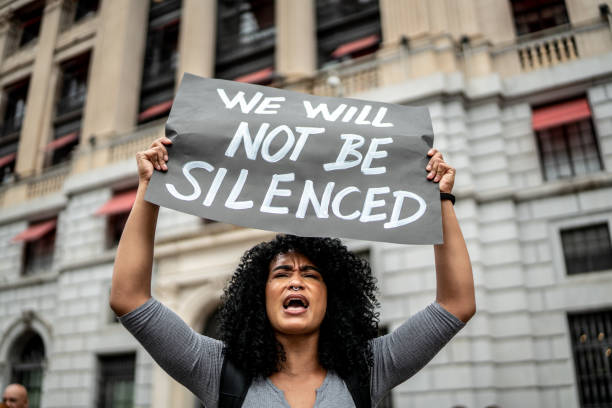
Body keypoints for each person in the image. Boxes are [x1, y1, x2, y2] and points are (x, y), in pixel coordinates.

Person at [110, 137, 475, 407]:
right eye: (282, 274)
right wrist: (147, 189)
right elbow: (130, 299)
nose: (296, 280)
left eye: (311, 275)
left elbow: (456, 304)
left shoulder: (370, 367)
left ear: (333, 298)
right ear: (260, 295)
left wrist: (440, 200)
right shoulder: (215, 369)